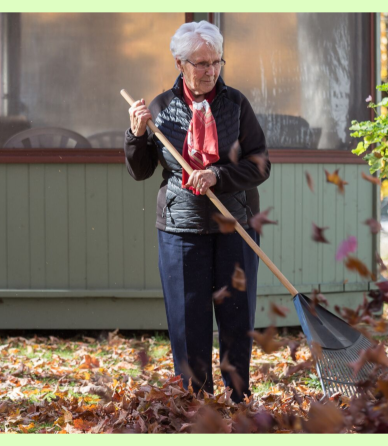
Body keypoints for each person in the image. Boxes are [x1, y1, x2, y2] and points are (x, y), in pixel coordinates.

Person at [123, 20, 270, 403]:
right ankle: (194, 399)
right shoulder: (161, 107)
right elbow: (140, 171)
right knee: (189, 320)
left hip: (233, 223)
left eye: (216, 62)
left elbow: (260, 164)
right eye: (201, 63)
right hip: (180, 228)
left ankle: (238, 397)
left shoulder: (236, 104)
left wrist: (218, 175)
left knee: (237, 316)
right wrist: (136, 135)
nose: (211, 71)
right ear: (179, 63)